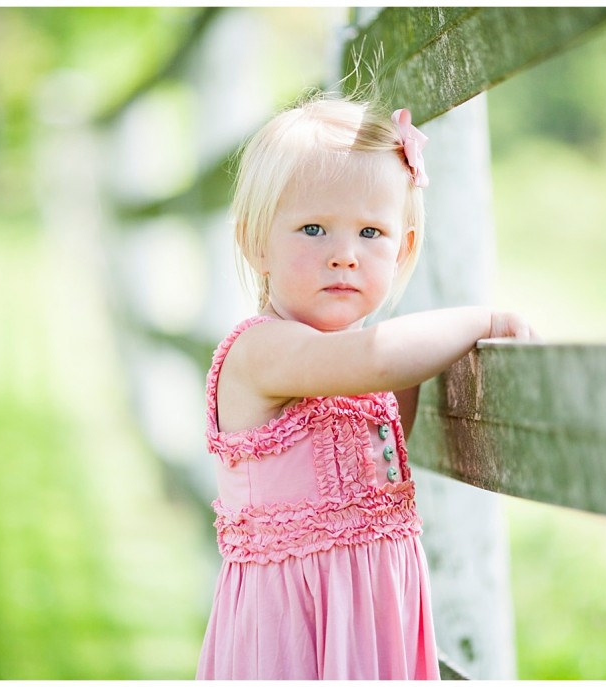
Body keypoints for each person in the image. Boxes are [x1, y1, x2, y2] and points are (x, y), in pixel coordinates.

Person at [195, 92, 536, 680]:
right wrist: (479, 321)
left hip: (374, 615)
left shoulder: (359, 370)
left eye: (371, 233)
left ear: (403, 247)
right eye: (313, 229)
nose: (344, 256)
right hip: (292, 625)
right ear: (256, 241)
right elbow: (376, 360)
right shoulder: (262, 351)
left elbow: (380, 415)